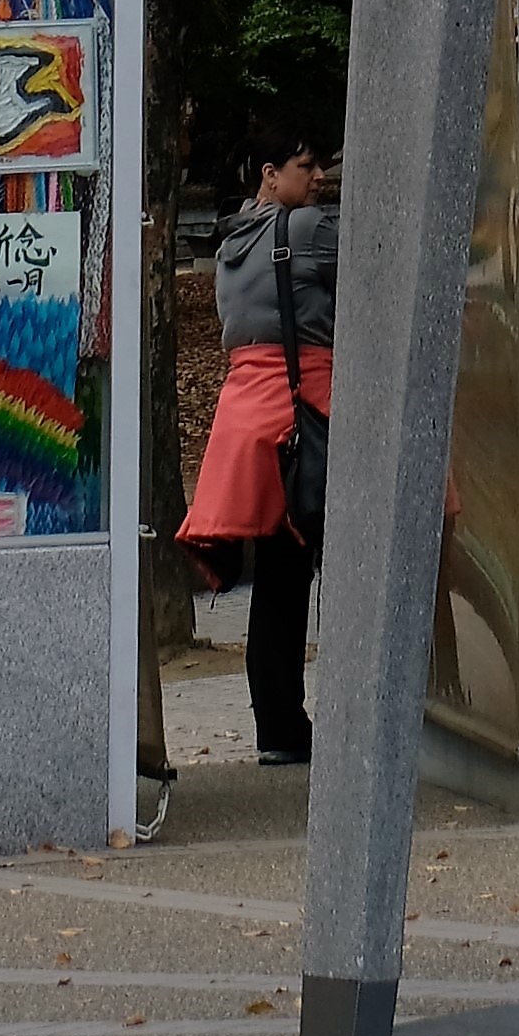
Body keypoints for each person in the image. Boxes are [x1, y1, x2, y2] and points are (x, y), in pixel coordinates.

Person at [187, 129, 335, 767]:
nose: (320, 178)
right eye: (308, 167)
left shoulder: (228, 247)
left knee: (277, 583)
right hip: (310, 416)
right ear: (271, 175)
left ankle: (278, 728)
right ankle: (347, 717)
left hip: (250, 425)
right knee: (338, 573)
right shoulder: (301, 233)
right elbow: (388, 250)